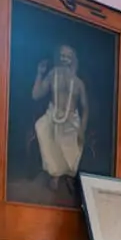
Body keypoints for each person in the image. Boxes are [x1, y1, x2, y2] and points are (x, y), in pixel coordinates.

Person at [31, 43, 88, 198]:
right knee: (42, 127)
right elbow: (36, 95)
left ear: (73, 60)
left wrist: (82, 129)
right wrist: (39, 74)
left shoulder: (78, 83)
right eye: (62, 56)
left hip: (71, 121)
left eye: (68, 57)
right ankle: (55, 175)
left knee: (72, 143)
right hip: (53, 115)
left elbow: (85, 108)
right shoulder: (52, 75)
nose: (64, 60)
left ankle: (69, 176)